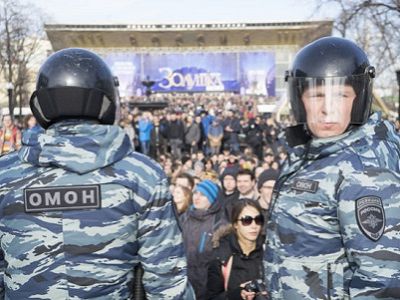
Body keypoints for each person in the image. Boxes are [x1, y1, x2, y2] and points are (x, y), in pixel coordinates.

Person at [0, 48, 194, 299]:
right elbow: (168, 283)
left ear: (41, 103)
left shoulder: (6, 175)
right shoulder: (141, 176)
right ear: (107, 101)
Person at [265, 36, 400, 299]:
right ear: (299, 99)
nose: (327, 109)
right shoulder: (314, 152)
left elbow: (382, 281)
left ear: (359, 98)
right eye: (316, 95)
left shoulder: (364, 171)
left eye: (341, 95)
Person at [207, 199, 266, 300]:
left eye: (258, 220)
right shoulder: (221, 256)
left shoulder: (271, 253)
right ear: (235, 224)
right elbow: (212, 297)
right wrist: (238, 294)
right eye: (246, 220)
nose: (254, 226)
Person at [180, 179, 227, 299]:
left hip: (208, 287)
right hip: (183, 283)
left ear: (212, 199)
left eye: (203, 195)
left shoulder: (220, 224)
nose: (197, 197)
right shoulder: (183, 218)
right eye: (196, 193)